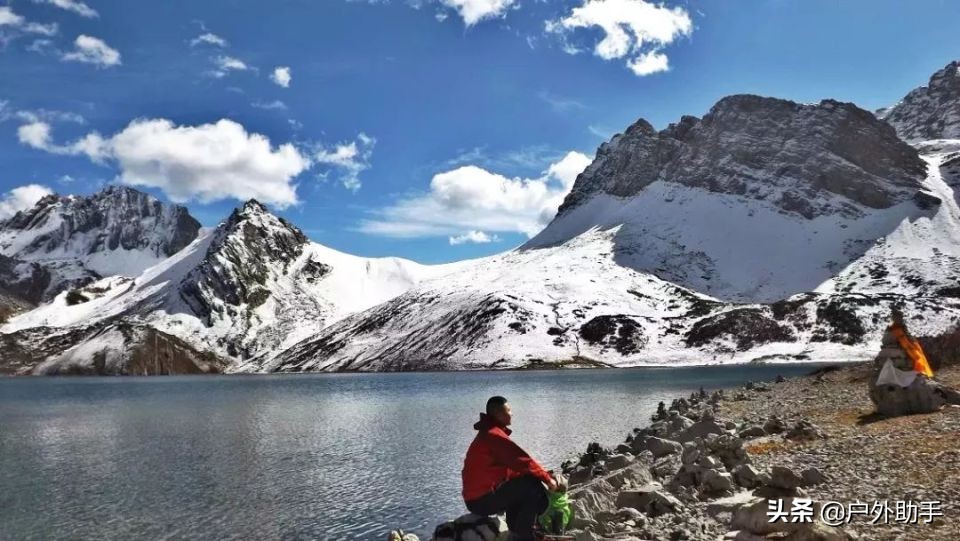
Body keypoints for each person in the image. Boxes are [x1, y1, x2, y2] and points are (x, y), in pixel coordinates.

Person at [461, 396, 558, 541]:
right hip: (481, 501)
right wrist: (548, 480)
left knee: (524, 483)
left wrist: (541, 474)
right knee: (531, 486)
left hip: (477, 498)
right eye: (509, 410)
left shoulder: (488, 433)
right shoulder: (493, 435)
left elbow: (513, 468)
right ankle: (525, 535)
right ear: (498, 414)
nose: (512, 413)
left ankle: (515, 531)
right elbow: (523, 461)